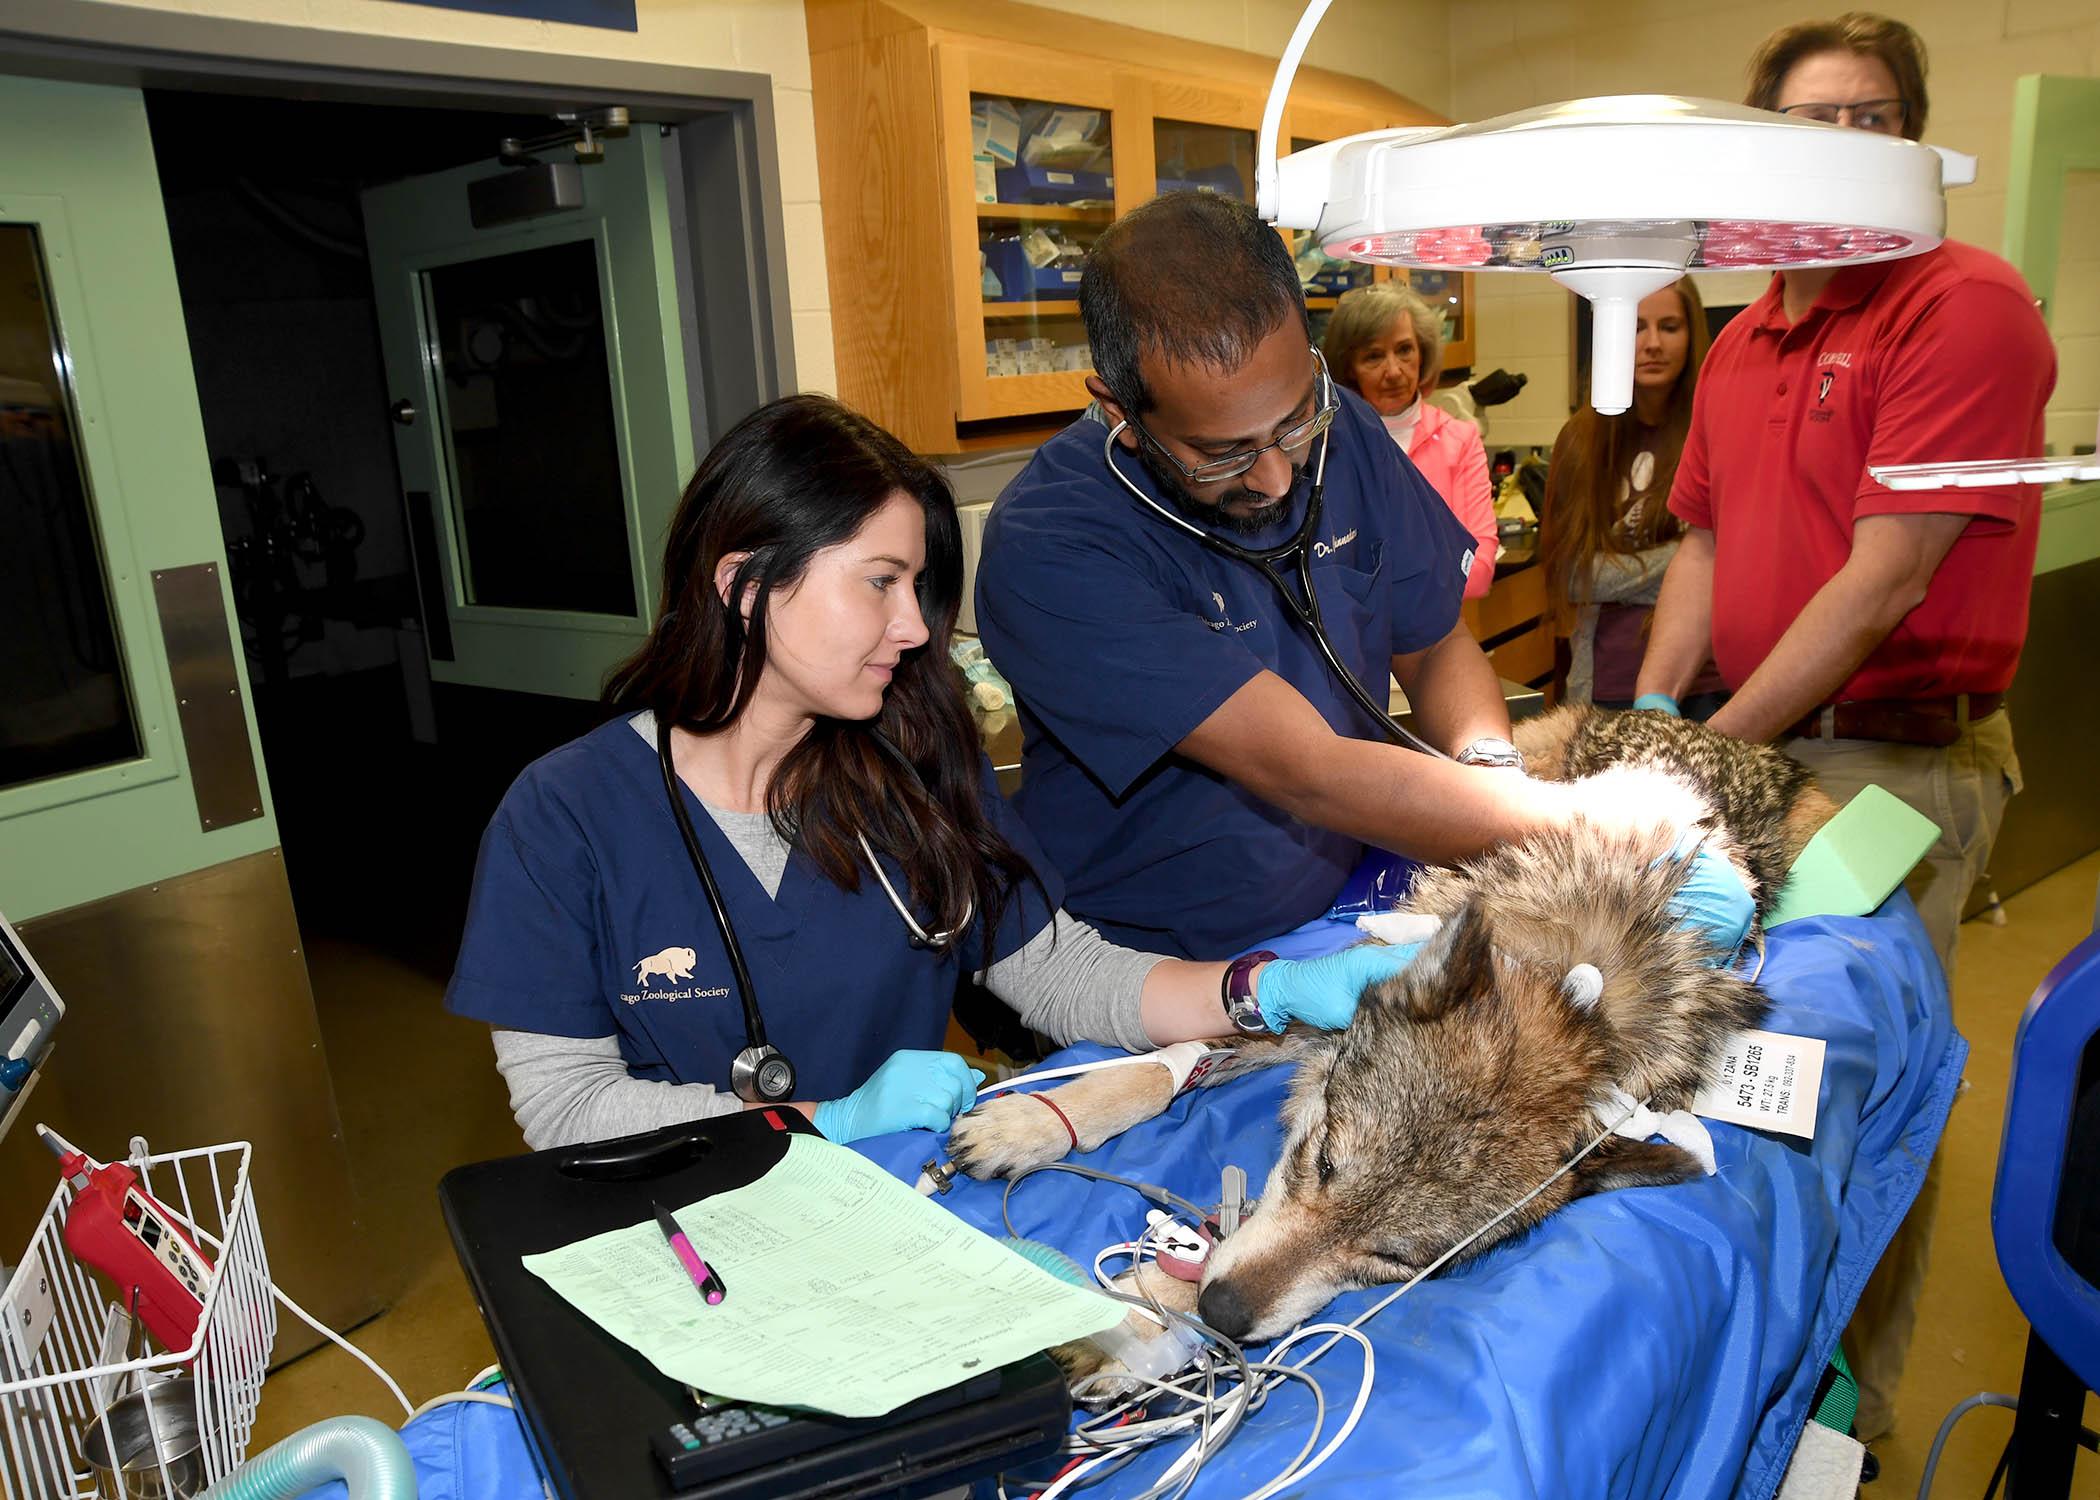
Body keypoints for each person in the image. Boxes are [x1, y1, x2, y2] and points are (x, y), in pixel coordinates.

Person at [444, 395, 1423, 1150]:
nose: (914, 628)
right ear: (743, 585)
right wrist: (822, 1121)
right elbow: (563, 1107)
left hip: (900, 1219)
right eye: (880, 583)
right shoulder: (567, 817)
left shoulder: (905, 765)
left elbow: (1060, 971)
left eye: (917, 588)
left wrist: (1267, 992)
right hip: (693, 1241)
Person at [1634, 12, 2056, 1442]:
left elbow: (1886, 579)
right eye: (1807, 122)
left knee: (1856, 1095)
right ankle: (1736, 1379)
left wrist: (1710, 758)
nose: (1840, 146)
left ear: (1916, 145)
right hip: (1758, 743)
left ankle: (1846, 1428)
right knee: (1732, 1074)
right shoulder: (1749, 336)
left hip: (1897, 765)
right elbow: (1698, 541)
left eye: (1869, 119)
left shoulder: (1964, 306)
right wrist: (1647, 716)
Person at [973, 191, 1752, 964]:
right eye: (1225, 453)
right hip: (1157, 965)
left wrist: (1491, 769)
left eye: (1292, 423)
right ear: (1119, 414)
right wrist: (1583, 824)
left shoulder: (1345, 427)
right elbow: (1308, 770)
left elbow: (1436, 639)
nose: (1278, 477)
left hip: (1347, 905)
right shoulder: (1053, 545)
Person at [1541, 277, 1726, 714]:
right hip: (1606, 683)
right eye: (1637, 327)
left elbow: (1735, 565)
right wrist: (1687, 561)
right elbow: (1573, 575)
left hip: (1706, 682)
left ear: (1692, 334)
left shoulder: (1718, 430)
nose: (1653, 343)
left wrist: (1623, 579)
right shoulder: (1580, 440)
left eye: (1670, 327)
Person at [1321, 284, 1497, 598]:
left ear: (1423, 351)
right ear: (1348, 368)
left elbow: (1480, 573)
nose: (1394, 371)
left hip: (1442, 640)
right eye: (1374, 356)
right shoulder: (1327, 446)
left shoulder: (1460, 439)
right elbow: (1328, 577)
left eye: (1404, 350)